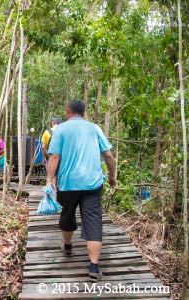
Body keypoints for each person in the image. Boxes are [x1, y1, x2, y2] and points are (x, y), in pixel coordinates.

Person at [46, 99, 116, 283]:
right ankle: (93, 267)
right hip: (92, 184)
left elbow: (54, 156)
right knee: (93, 221)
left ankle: (68, 246)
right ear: (84, 112)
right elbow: (108, 155)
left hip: (68, 184)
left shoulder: (60, 129)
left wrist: (49, 179)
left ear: (68, 111)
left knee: (68, 214)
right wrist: (112, 176)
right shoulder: (94, 128)